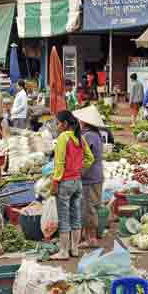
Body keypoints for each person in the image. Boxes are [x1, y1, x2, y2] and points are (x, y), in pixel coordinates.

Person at [51, 110, 94, 260]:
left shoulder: (63, 137)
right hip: (77, 182)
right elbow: (90, 157)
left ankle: (63, 251)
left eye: (57, 123)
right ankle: (74, 248)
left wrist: (55, 181)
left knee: (64, 218)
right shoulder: (79, 138)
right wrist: (79, 169)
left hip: (65, 182)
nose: (57, 126)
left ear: (64, 124)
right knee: (76, 216)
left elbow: (59, 162)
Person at [73, 105, 104, 249]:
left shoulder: (88, 136)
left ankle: (91, 238)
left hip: (89, 177)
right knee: (89, 207)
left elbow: (85, 156)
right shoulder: (95, 134)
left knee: (88, 208)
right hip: (95, 175)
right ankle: (87, 236)